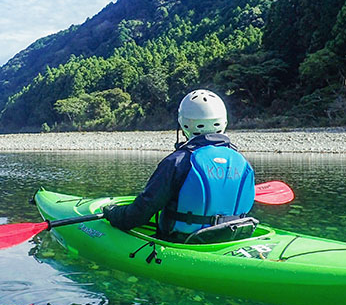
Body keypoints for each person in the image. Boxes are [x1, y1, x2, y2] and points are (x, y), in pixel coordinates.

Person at [103, 89, 256, 242]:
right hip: (231, 237)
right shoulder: (242, 162)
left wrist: (113, 214)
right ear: (223, 121)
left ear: (184, 124)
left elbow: (138, 215)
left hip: (184, 241)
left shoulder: (177, 162)